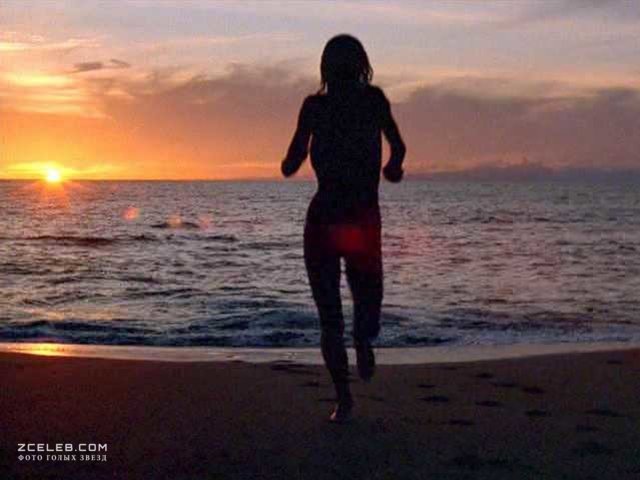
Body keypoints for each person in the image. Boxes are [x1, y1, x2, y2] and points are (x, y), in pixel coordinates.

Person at [281, 34, 406, 423]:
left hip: (325, 219)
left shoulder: (316, 107)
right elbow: (398, 148)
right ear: (362, 65)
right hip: (359, 218)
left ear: (325, 68)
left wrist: (292, 161)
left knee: (330, 316)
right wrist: (392, 167)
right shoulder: (372, 101)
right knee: (365, 300)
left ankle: (344, 398)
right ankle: (363, 342)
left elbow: (291, 161)